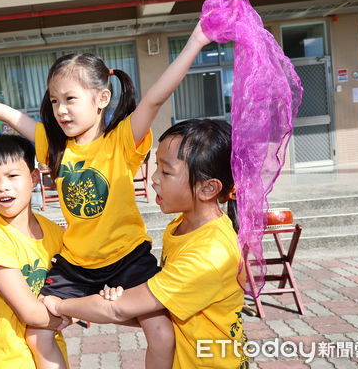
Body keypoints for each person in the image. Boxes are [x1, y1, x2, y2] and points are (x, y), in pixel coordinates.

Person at [0, 22, 211, 368]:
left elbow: (156, 97)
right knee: (38, 331)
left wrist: (197, 39)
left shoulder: (121, 140)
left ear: (102, 98)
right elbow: (6, 113)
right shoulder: (53, 145)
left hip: (128, 259)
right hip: (76, 266)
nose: (61, 110)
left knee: (162, 333)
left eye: (70, 99)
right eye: (55, 100)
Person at [43, 119, 249, 369]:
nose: (153, 178)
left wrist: (60, 304)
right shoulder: (181, 226)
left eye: (166, 171)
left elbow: (118, 311)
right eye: (155, 167)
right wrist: (121, 302)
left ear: (207, 188)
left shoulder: (209, 254)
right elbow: (157, 306)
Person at [0, 134, 68, 368]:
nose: (2, 187)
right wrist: (78, 313)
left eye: (12, 176)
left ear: (35, 177)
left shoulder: (55, 233)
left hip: (50, 351)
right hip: (7, 359)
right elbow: (31, 313)